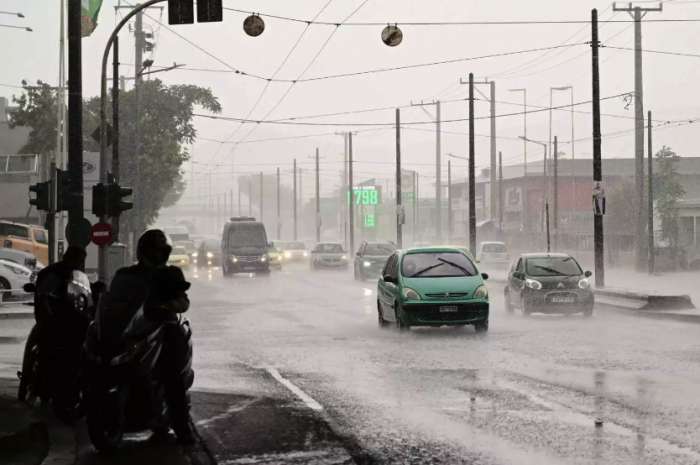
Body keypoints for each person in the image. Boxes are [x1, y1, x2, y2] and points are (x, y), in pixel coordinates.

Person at [106, 229, 195, 444]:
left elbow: (183, 302)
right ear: (143, 251)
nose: (157, 254)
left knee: (171, 375)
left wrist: (168, 305)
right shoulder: (126, 274)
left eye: (161, 250)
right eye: (154, 250)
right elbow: (112, 298)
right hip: (132, 330)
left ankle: (183, 429)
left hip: (162, 328)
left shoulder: (170, 274)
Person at [33, 245, 88, 415]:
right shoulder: (53, 273)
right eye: (79, 259)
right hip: (54, 320)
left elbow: (85, 292)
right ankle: (43, 388)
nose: (81, 263)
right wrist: (49, 313)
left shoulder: (78, 277)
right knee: (47, 350)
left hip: (73, 319)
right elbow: (44, 296)